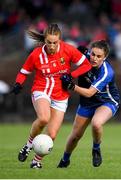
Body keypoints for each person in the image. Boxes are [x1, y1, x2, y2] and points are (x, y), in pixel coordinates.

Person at [11, 23, 92, 169]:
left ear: (60, 40)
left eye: (55, 42)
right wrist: (18, 84)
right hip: (41, 90)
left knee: (52, 135)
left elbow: (86, 65)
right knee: (43, 118)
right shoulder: (36, 54)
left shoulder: (68, 49)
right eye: (49, 42)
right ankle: (28, 146)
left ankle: (36, 161)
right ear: (45, 40)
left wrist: (70, 75)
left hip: (61, 95)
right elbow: (23, 73)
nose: (52, 46)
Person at [57, 40, 120, 168]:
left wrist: (71, 85)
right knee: (75, 136)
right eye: (93, 54)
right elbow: (66, 51)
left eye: (99, 56)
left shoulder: (107, 72)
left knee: (96, 124)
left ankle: (96, 148)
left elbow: (90, 92)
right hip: (87, 103)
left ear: (105, 57)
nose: (94, 58)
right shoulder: (85, 58)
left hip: (106, 102)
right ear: (89, 52)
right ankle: (64, 161)